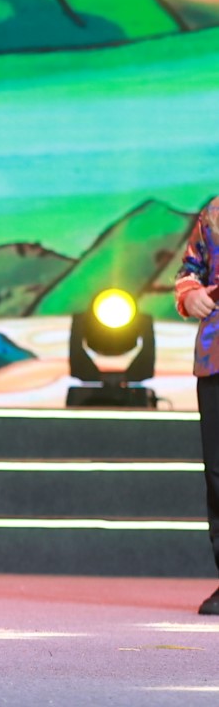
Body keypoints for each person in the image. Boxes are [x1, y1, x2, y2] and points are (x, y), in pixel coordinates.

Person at [174, 196, 219, 617]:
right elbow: (189, 270)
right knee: (218, 475)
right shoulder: (214, 213)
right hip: (216, 358)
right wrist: (190, 296)